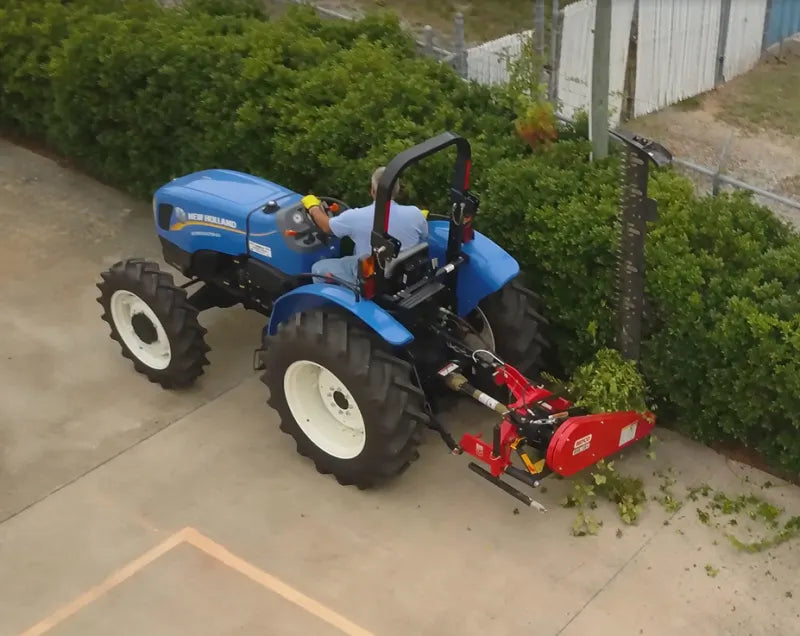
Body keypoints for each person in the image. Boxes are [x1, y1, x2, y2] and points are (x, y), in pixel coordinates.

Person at [302, 167, 429, 284]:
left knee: (318, 268)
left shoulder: (356, 217)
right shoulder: (416, 213)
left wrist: (313, 207)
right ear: (396, 190)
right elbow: (424, 236)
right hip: (406, 275)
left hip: (374, 277)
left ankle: (351, 297)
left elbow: (326, 226)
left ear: (372, 191)